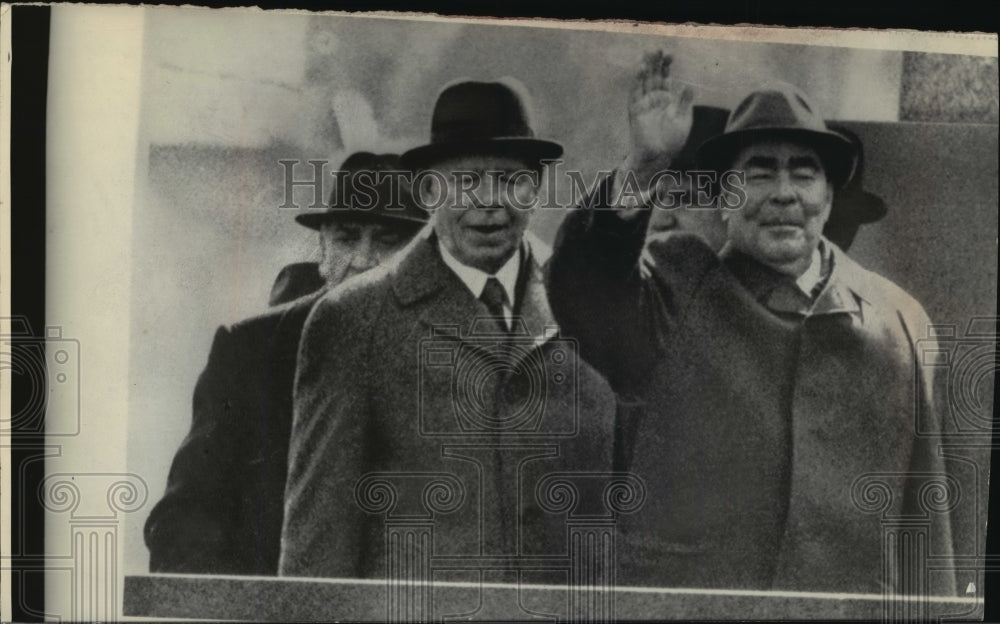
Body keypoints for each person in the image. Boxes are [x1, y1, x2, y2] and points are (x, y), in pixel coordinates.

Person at [546, 52, 955, 594]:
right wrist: (644, 167)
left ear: (829, 197)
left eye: (804, 173)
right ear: (723, 198)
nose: (783, 193)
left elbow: (925, 527)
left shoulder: (898, 321)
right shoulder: (672, 289)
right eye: (759, 173)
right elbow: (583, 287)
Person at [279, 80, 617, 580]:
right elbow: (318, 541)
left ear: (538, 189)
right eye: (465, 182)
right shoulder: (353, 319)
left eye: (509, 180)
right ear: (428, 191)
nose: (489, 202)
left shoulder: (589, 305)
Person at [144, 152, 428, 575]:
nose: (365, 260)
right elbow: (185, 518)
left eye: (389, 241)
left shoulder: (455, 345)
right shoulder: (250, 349)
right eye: (347, 238)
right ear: (322, 250)